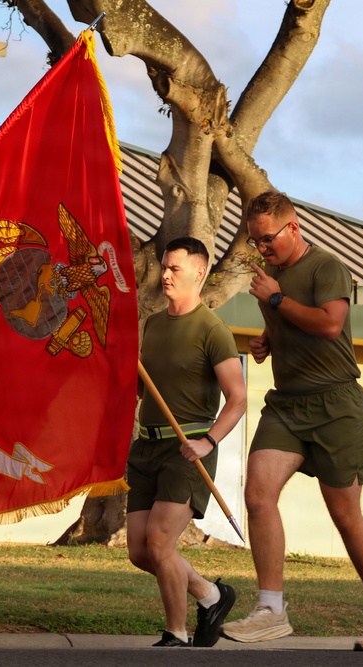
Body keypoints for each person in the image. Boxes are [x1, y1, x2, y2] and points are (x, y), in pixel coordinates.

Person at [221, 190, 363, 651]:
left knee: (344, 514)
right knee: (258, 494)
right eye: (254, 242)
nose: (261, 250)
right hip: (287, 405)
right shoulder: (273, 278)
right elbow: (293, 324)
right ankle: (271, 609)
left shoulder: (327, 266)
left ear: (293, 226)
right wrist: (266, 341)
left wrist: (277, 300)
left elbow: (328, 324)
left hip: (337, 404)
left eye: (267, 240)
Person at [127, 236, 247, 648]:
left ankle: (176, 633)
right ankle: (212, 595)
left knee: (160, 543)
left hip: (188, 448)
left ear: (200, 272)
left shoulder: (213, 330)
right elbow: (146, 392)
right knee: (140, 553)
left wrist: (209, 442)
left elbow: (239, 398)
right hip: (145, 448)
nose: (165, 275)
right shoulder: (154, 324)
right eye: (163, 267)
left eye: (174, 268)